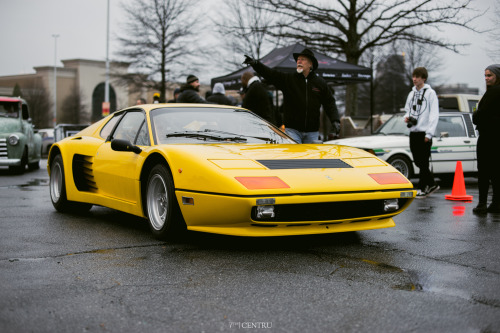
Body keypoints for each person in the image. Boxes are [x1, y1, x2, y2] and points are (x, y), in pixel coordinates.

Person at [243, 48, 340, 143]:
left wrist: (335, 120)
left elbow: (329, 102)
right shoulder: (289, 79)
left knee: (310, 159)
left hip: (312, 132)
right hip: (292, 131)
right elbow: (271, 74)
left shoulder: (320, 83)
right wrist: (256, 64)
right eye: (298, 59)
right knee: (295, 158)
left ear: (311, 64)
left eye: (302, 59)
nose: (299, 61)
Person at [404, 67, 440, 198]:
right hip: (413, 131)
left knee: (423, 161)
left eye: (417, 77)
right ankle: (431, 184)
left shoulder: (430, 93)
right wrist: (407, 117)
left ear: (423, 78)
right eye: (413, 76)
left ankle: (423, 186)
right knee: (418, 161)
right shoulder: (411, 94)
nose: (414, 79)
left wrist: (429, 133)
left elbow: (434, 115)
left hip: (424, 132)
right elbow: (407, 109)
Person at [472, 64, 500, 213]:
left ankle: (482, 204)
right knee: (496, 172)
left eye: (490, 75)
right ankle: (496, 203)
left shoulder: (492, 92)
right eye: (485, 76)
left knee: (483, 172)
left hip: (488, 138)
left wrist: (476, 114)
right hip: (496, 138)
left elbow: (478, 116)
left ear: (497, 76)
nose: (487, 78)